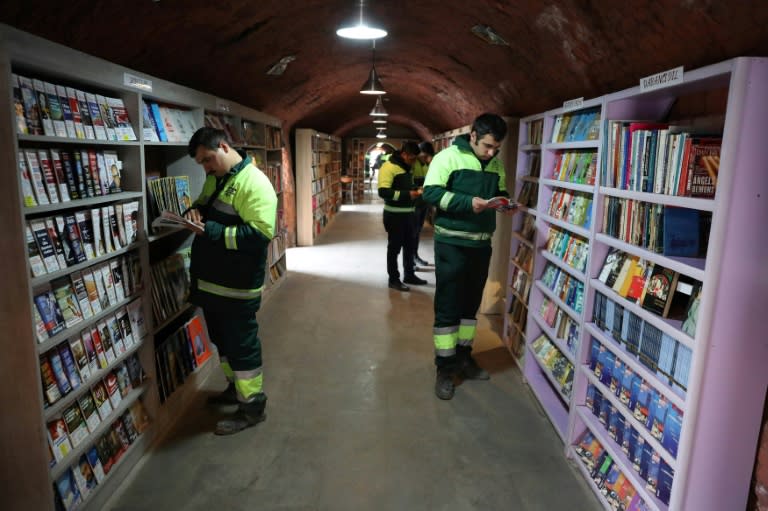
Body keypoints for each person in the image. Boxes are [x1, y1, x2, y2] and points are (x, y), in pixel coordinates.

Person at [183, 127, 278, 435]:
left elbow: (259, 236)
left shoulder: (255, 183)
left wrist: (210, 231)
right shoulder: (217, 179)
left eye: (208, 160)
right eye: (202, 164)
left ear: (223, 146)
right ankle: (234, 387)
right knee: (221, 342)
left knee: (242, 346)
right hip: (211, 284)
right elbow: (204, 207)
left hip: (236, 287)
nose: (206, 168)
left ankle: (252, 406)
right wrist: (193, 212)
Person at [422, 113, 516, 400]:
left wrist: (503, 203)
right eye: (487, 146)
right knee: (449, 307)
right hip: (451, 243)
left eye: (495, 148)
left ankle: (464, 357)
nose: (491, 152)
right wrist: (467, 203)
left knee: (470, 308)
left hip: (480, 245)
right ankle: (445, 368)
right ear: (473, 135)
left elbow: (498, 192)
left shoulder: (496, 164)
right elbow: (431, 194)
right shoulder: (446, 158)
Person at [378, 141, 427, 291]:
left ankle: (409, 275)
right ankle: (393, 279)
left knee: (410, 247)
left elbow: (405, 186)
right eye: (411, 159)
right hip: (394, 215)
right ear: (404, 154)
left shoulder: (407, 167)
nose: (413, 163)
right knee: (394, 248)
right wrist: (408, 194)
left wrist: (416, 189)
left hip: (409, 214)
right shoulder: (389, 167)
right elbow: (383, 192)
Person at [411, 141, 435, 267]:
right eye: (424, 156)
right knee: (412, 232)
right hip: (413, 204)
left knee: (418, 231)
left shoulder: (426, 165)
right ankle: (410, 260)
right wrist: (419, 187)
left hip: (423, 203)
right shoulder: (412, 164)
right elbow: (409, 184)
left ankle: (415, 256)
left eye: (428, 156)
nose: (426, 159)